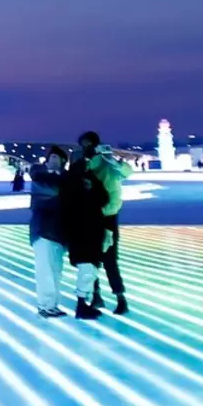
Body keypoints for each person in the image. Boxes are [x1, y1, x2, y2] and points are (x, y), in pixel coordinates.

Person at [81, 132, 133, 314]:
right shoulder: (83, 165)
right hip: (90, 217)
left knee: (110, 259)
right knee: (91, 259)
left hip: (108, 217)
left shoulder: (108, 164)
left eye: (89, 145)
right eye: (83, 145)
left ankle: (120, 298)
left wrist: (114, 160)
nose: (86, 148)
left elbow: (128, 172)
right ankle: (96, 295)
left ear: (97, 145)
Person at [61, 145, 111, 319]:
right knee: (87, 268)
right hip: (79, 232)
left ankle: (85, 302)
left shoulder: (90, 179)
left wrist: (92, 188)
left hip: (92, 231)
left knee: (91, 268)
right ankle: (81, 304)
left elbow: (104, 198)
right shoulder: (71, 183)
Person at [28, 146, 69, 317]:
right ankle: (45, 305)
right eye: (51, 157)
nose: (54, 160)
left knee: (55, 271)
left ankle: (52, 305)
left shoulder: (65, 179)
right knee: (45, 270)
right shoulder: (40, 178)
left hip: (60, 232)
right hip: (43, 230)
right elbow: (51, 193)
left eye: (57, 158)